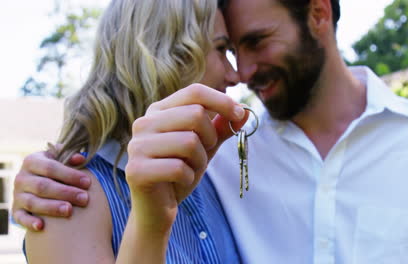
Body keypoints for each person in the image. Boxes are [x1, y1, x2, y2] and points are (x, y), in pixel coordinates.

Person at [13, 0, 408, 263]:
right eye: (226, 48)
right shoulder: (217, 158)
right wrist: (35, 184)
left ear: (318, 14)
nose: (242, 72)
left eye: (254, 42)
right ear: (167, 52)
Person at [19, 0, 250, 263]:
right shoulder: (67, 198)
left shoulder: (215, 172)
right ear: (165, 53)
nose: (236, 75)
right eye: (221, 49)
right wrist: (151, 224)